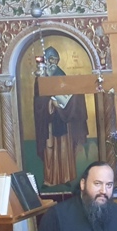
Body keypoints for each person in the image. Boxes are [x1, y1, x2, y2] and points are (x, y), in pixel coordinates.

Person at [33, 46, 89, 186]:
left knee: (64, 148)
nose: (53, 63)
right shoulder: (40, 79)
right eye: (51, 59)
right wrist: (50, 103)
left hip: (64, 120)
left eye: (55, 60)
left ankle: (66, 177)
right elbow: (38, 101)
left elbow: (72, 96)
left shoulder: (62, 76)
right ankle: (49, 179)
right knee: (49, 148)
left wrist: (67, 101)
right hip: (48, 121)